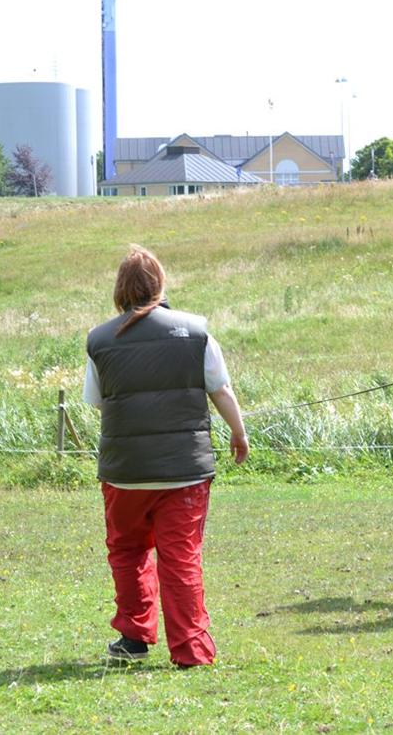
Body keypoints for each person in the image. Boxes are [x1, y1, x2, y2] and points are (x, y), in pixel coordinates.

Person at [84, 245, 249, 667]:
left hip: (125, 472)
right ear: (159, 284)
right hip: (184, 471)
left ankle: (134, 639)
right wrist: (238, 431)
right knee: (181, 557)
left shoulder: (100, 339)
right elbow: (220, 389)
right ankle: (191, 649)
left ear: (120, 289)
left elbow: (97, 402)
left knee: (127, 551)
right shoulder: (196, 332)